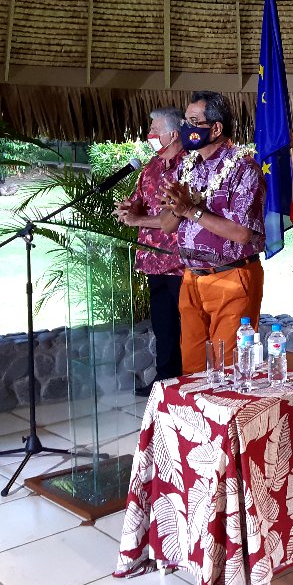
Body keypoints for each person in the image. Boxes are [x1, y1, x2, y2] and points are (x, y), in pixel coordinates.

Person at [158, 91, 265, 373]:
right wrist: (176, 205)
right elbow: (169, 225)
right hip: (192, 279)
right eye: (185, 121)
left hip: (232, 277)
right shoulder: (187, 166)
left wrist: (192, 211)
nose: (186, 128)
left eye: (194, 121)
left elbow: (242, 233)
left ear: (216, 128)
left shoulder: (244, 169)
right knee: (192, 368)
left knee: (229, 369)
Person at [116, 107, 186, 395]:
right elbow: (137, 203)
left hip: (182, 263)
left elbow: (175, 217)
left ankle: (189, 381)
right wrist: (127, 209)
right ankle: (166, 380)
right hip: (152, 261)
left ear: (172, 133)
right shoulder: (151, 168)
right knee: (163, 325)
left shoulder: (190, 166)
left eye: (155, 131)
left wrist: (139, 220)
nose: (150, 137)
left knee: (188, 327)